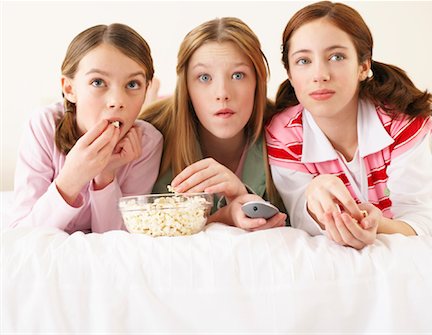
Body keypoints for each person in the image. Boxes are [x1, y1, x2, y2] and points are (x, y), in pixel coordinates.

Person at [265, 1, 432, 249]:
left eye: (336, 57)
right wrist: (315, 195)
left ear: (363, 67)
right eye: (303, 61)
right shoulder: (282, 135)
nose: (320, 74)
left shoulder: (399, 122)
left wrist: (376, 224)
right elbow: (301, 222)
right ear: (290, 74)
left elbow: (424, 221)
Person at [9, 23, 163, 233]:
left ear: (146, 89)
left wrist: (106, 175)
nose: (117, 101)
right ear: (69, 88)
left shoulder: (147, 142)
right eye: (98, 82)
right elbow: (21, 235)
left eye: (133, 84)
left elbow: (119, 240)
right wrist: (72, 177)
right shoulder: (44, 126)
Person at [140, 17, 287, 231]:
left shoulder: (287, 130)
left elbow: (298, 221)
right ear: (186, 87)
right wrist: (222, 217)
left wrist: (240, 195)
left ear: (258, 81)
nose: (222, 94)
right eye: (204, 77)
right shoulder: (151, 130)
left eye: (238, 75)